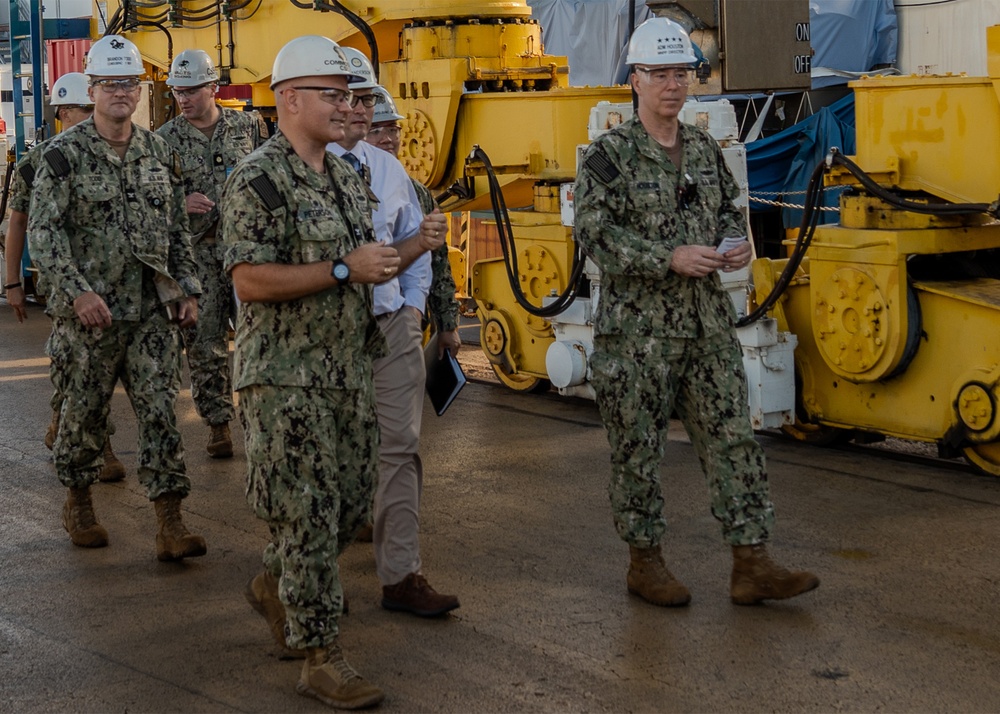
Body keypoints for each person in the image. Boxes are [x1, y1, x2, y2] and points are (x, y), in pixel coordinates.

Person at [574, 17, 819, 607]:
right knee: (638, 452)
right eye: (659, 74)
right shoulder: (610, 156)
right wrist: (668, 257)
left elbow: (731, 212)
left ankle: (751, 561)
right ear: (635, 80)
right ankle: (644, 561)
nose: (673, 85)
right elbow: (594, 233)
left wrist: (734, 243)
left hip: (707, 327)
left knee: (734, 440)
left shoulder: (706, 148)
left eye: (681, 73)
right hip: (638, 337)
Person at [223, 35, 402, 709]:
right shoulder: (258, 178)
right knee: (308, 513)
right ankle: (321, 656)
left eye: (351, 95)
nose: (346, 106)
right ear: (290, 100)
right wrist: (340, 269)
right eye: (333, 94)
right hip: (285, 380)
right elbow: (248, 279)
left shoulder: (347, 175)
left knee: (346, 510)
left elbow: (364, 261)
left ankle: (276, 585)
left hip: (347, 372)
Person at [27, 35, 206, 561]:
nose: (121, 92)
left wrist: (188, 288)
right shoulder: (62, 156)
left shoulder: (159, 152)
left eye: (130, 82)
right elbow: (45, 231)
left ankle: (170, 524)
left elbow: (177, 229)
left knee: (161, 416)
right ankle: (79, 504)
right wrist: (77, 292)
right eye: (110, 83)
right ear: (93, 87)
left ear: (140, 90)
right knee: (83, 415)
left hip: (150, 311)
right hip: (90, 317)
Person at [329, 49, 456, 618]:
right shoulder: (287, 168)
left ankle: (401, 575)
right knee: (327, 457)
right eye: (349, 98)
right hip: (323, 335)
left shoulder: (388, 170)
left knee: (401, 451)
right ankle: (306, 579)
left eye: (366, 99)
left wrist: (412, 308)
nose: (360, 111)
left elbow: (417, 241)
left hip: (389, 326)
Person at [4, 73, 127, 483]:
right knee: (76, 365)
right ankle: (98, 444)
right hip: (65, 289)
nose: (88, 117)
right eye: (81, 110)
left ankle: (72, 428)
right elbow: (18, 223)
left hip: (113, 285)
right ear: (61, 112)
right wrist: (13, 283)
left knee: (97, 368)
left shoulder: (116, 154)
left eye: (91, 110)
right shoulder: (38, 163)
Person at [157, 49, 268, 459]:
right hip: (197, 254)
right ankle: (218, 423)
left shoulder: (247, 126)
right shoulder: (164, 139)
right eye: (176, 91)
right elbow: (154, 197)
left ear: (212, 88)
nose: (183, 99)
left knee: (258, 336)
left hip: (244, 252)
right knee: (204, 344)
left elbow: (266, 176)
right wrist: (179, 202)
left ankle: (258, 421)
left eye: (190, 90)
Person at [365, 85, 461, 358]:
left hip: (405, 323)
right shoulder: (342, 186)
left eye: (393, 129)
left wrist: (448, 325)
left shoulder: (416, 192)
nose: (387, 139)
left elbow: (438, 261)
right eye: (376, 131)